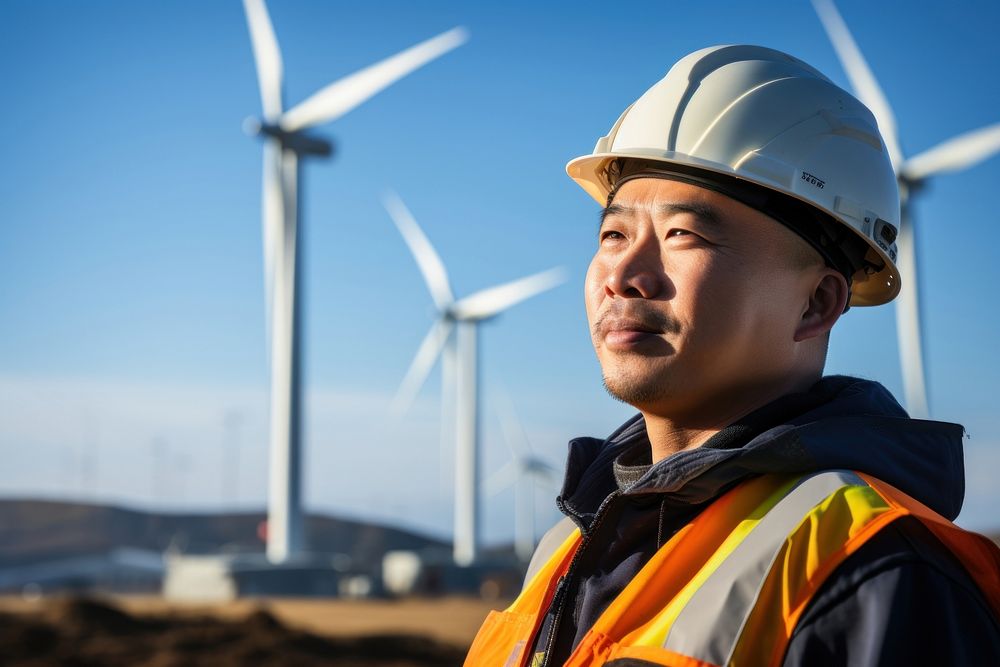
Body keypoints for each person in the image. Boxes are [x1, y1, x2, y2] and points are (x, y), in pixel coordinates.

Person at [464, 45, 1000, 666]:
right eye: (613, 234)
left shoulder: (880, 568)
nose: (625, 275)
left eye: (682, 235)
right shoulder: (564, 549)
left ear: (816, 304)